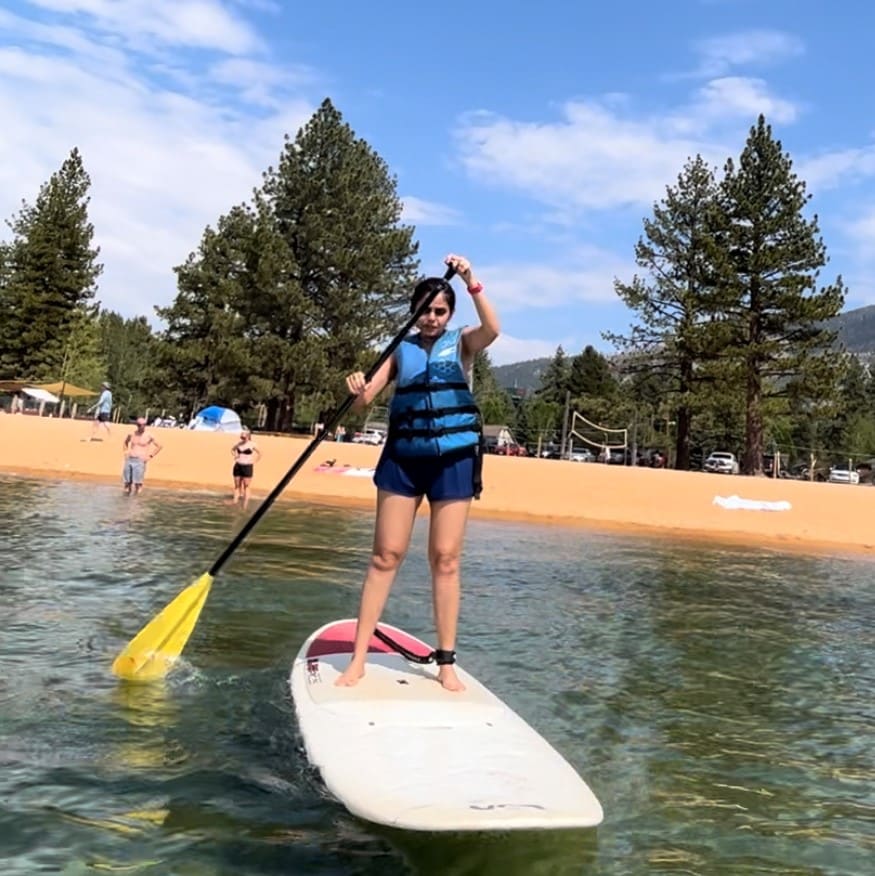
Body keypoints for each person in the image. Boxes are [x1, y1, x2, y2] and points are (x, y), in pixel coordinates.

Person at [335, 253, 500, 692]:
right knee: (385, 555)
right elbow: (364, 401)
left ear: (449, 314)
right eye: (424, 310)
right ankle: (358, 659)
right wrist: (354, 388)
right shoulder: (397, 351)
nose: (431, 318)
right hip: (403, 461)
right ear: (414, 312)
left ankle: (445, 663)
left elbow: (493, 330)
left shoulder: (463, 342)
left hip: (453, 460)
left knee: (445, 559)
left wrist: (470, 278)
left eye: (439, 311)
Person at [122, 417, 162, 495]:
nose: (142, 426)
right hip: (130, 459)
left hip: (140, 461)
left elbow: (159, 446)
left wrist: (150, 456)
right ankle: (125, 503)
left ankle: (136, 503)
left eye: (144, 425)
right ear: (137, 425)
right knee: (127, 483)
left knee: (138, 484)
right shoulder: (132, 434)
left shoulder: (149, 435)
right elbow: (125, 442)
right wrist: (126, 452)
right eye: (140, 425)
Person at [231, 428, 261, 509]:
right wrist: (235, 455)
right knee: (237, 485)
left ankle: (245, 504)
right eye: (241, 437)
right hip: (238, 465)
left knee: (246, 485)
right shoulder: (239, 444)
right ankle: (235, 501)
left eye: (244, 437)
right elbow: (232, 450)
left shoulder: (252, 444)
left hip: (247, 466)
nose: (242, 438)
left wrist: (254, 461)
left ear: (248, 436)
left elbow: (259, 453)